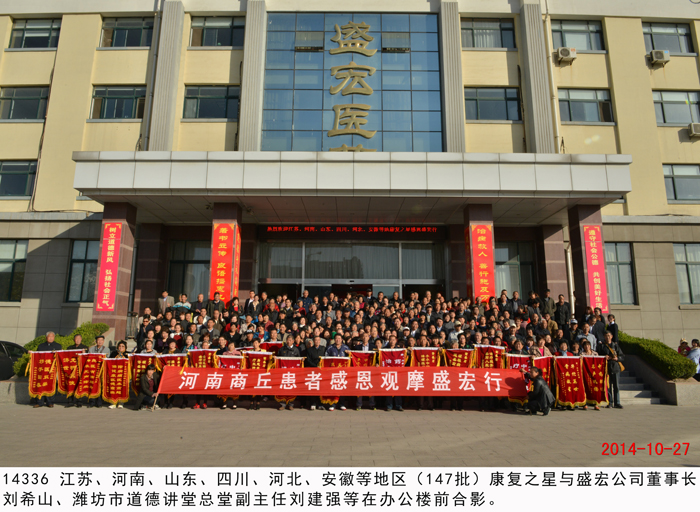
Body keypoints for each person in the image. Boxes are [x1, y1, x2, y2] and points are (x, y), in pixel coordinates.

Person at [33, 331, 62, 408]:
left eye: (52, 336)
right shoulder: (41, 346)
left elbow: (60, 357)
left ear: (54, 337)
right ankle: (39, 402)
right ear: (46, 338)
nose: (51, 338)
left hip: (52, 370)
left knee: (50, 385)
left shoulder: (58, 346)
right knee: (40, 385)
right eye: (49, 336)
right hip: (42, 369)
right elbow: (37, 356)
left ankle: (50, 402)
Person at [598, 331, 625, 409]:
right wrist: (604, 357)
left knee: (616, 386)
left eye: (609, 335)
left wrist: (617, 358)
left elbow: (622, 356)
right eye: (606, 336)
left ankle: (617, 403)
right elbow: (599, 355)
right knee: (608, 386)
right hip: (606, 368)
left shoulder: (615, 345)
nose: (607, 337)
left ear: (612, 336)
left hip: (615, 367)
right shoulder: (602, 346)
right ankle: (610, 402)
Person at [87, 335, 110, 408]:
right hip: (93, 370)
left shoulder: (107, 349)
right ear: (96, 341)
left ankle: (99, 402)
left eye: (101, 340)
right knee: (92, 386)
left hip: (101, 370)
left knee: (100, 386)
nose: (100, 342)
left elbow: (107, 359)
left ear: (103, 341)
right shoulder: (91, 349)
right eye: (98, 340)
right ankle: (92, 402)